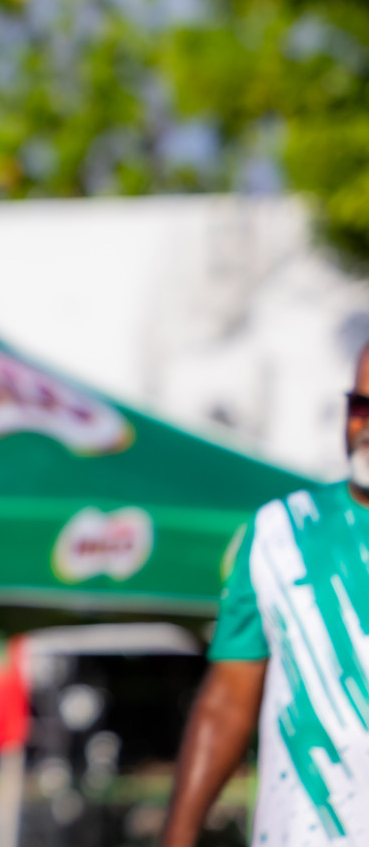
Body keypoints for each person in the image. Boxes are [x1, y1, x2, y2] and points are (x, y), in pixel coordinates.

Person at [162, 343, 369, 846]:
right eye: (360, 406)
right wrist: (178, 836)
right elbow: (228, 698)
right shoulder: (281, 530)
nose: (366, 426)